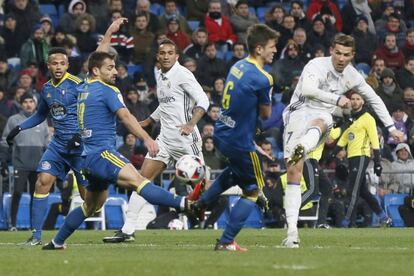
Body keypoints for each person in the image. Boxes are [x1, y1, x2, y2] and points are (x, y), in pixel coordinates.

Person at [9, 18, 128, 246]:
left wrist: (110, 31)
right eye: (54, 63)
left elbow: (98, 55)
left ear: (67, 65)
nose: (58, 67)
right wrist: (19, 128)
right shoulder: (45, 89)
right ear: (48, 64)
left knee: (89, 198)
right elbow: (41, 115)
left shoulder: (78, 83)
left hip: (81, 147)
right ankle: (36, 235)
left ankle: (82, 231)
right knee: (42, 181)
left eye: (62, 63)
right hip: (58, 146)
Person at [282, 34, 403, 248]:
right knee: (293, 173)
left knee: (325, 120)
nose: (341, 58)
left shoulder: (352, 75)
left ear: (352, 55)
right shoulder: (315, 65)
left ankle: (304, 147)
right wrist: (337, 99)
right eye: (337, 52)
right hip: (297, 114)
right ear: (331, 50)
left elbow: (374, 99)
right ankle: (292, 230)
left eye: (346, 54)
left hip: (320, 119)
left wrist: (392, 128)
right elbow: (308, 91)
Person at [102, 38, 209, 243]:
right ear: (158, 56)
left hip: (187, 140)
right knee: (142, 180)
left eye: (170, 53)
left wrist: (190, 123)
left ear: (176, 56)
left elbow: (203, 100)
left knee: (202, 187)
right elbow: (166, 104)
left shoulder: (183, 74)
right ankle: (127, 230)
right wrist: (149, 120)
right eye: (163, 53)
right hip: (165, 140)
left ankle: (242, 190)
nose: (166, 56)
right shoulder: (159, 73)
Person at [191, 24, 278, 251]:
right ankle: (226, 240)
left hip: (222, 133)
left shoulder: (237, 65)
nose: (275, 50)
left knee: (234, 174)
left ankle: (200, 204)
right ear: (259, 49)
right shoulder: (263, 78)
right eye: (272, 46)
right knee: (253, 189)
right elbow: (266, 114)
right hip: (239, 141)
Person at [332, 92, 391, 227]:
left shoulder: (368, 118)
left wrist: (377, 162)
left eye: (358, 99)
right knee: (363, 191)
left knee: (353, 189)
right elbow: (345, 137)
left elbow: (374, 141)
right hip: (351, 157)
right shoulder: (351, 119)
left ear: (363, 102)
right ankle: (383, 217)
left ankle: (346, 222)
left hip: (361, 156)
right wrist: (333, 153)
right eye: (352, 99)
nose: (354, 101)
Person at [1, 93, 49, 231]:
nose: (28, 104)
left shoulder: (42, 120)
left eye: (31, 101)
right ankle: (13, 225)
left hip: (37, 164)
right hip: (20, 164)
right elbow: (5, 141)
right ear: (21, 104)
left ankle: (34, 226)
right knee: (17, 193)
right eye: (25, 102)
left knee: (37, 196)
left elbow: (47, 143)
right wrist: (4, 160)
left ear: (35, 104)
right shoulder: (13, 120)